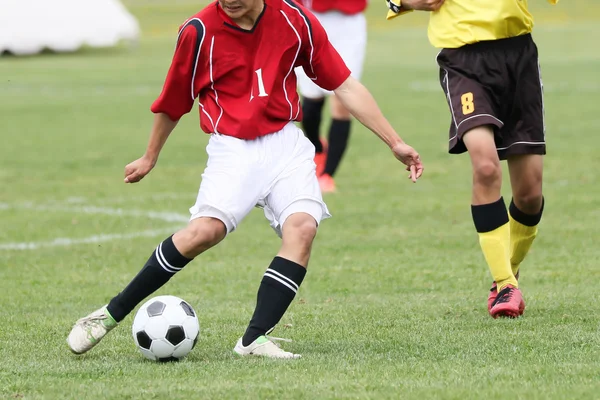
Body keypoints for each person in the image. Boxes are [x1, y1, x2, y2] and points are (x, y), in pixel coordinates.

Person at [66, 0, 424, 359]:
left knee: (302, 229)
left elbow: (344, 85)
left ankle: (254, 339)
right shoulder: (198, 31)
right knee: (204, 232)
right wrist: (150, 156)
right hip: (233, 149)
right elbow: (174, 102)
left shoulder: (294, 18)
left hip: (285, 142)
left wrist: (395, 142)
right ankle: (108, 315)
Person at [386, 0, 557, 318]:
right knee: (485, 166)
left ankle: (506, 274)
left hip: (518, 55)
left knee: (530, 194)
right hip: (462, 58)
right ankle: (506, 285)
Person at [295, 0, 368, 193]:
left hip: (348, 23)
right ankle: (318, 149)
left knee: (343, 101)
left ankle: (328, 175)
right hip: (310, 17)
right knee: (311, 102)